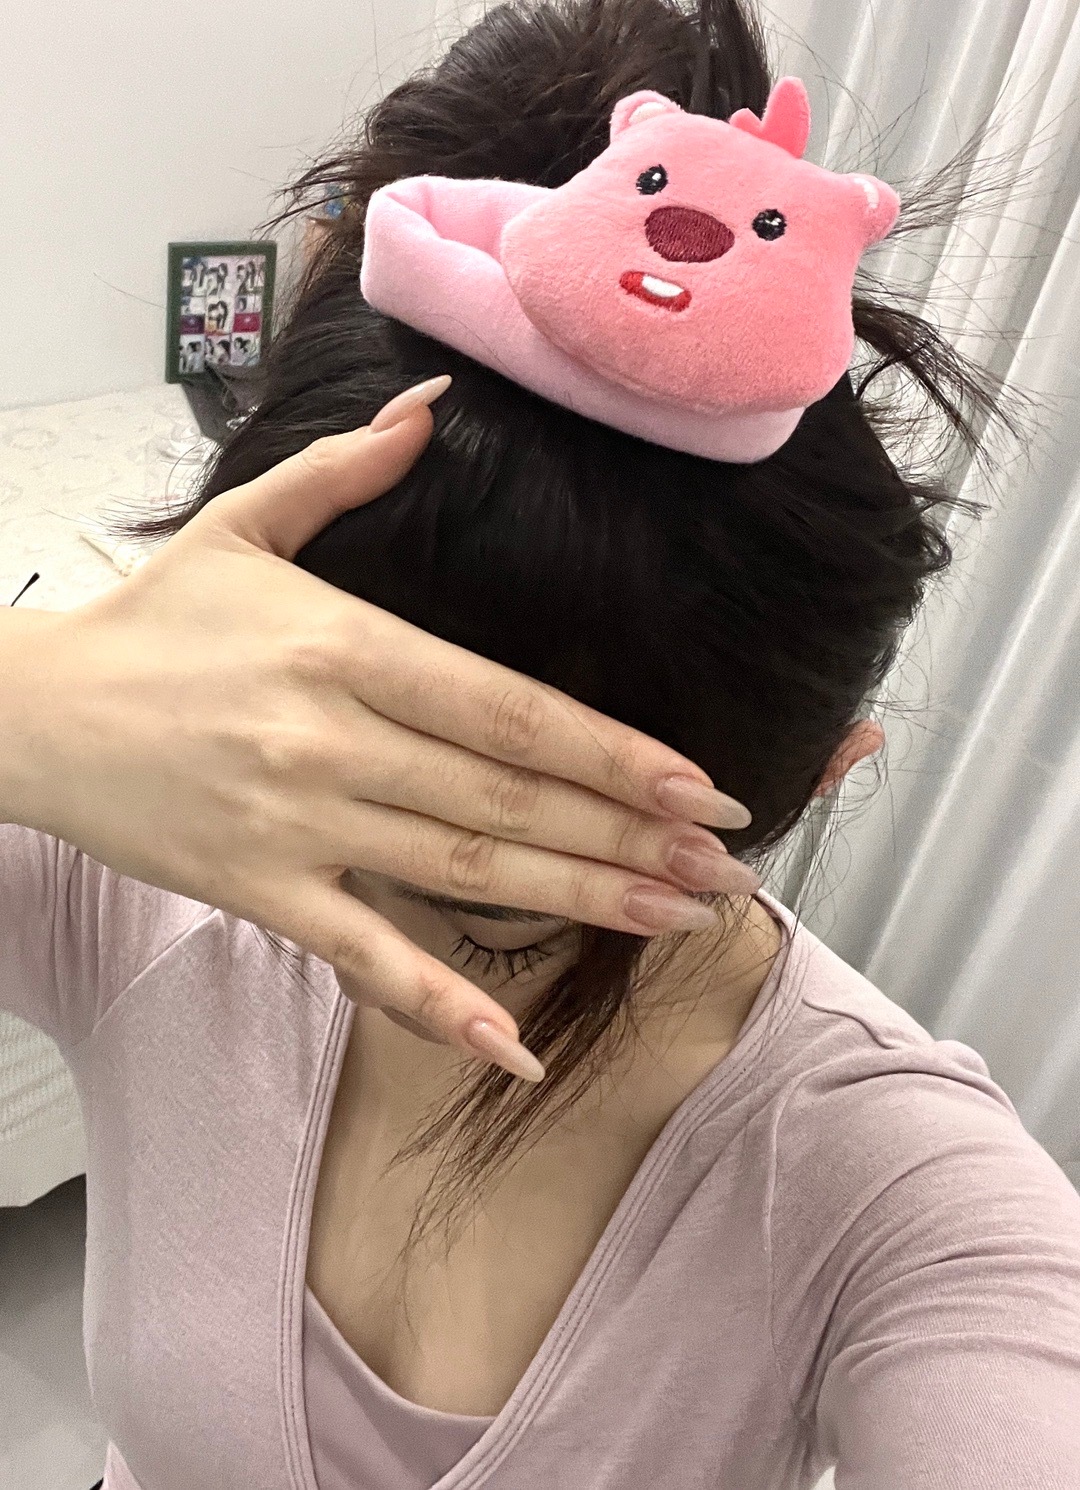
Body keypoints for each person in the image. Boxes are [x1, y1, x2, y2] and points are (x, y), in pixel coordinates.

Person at [4, 2, 1079, 1488]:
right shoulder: (156, 856)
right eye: (337, 806)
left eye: (502, 905)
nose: (367, 941)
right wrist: (28, 693)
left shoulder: (898, 1202)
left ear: (828, 768)